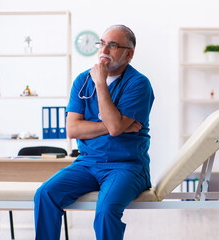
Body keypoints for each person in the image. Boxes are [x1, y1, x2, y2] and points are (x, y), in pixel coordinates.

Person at [34, 25, 155, 240]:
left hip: (127, 166)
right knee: (45, 194)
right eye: (102, 43)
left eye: (113, 45)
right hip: (87, 163)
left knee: (106, 210)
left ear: (129, 54)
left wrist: (100, 82)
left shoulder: (138, 84)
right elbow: (72, 130)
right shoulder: (82, 81)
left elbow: (116, 128)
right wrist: (112, 126)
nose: (104, 49)